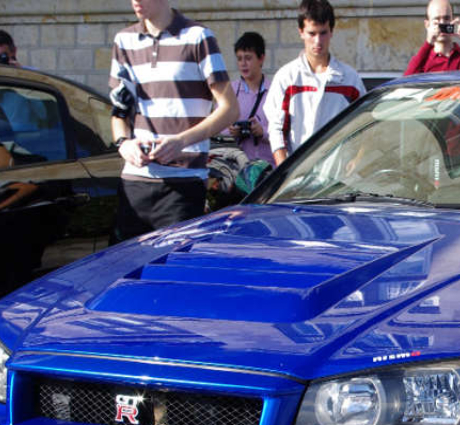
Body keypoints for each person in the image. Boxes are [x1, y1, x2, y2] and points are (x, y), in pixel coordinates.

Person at [108, 0, 239, 243]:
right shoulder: (124, 40)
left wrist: (181, 141)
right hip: (134, 180)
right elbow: (119, 112)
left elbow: (230, 109)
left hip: (183, 183)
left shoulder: (198, 37)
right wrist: (123, 143)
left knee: (173, 264)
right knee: (124, 265)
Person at [265, 0, 364, 167]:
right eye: (312, 33)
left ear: (331, 31)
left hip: (337, 176)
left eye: (323, 33)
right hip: (298, 174)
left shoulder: (350, 79)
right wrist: (284, 171)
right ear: (301, 32)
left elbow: (365, 125)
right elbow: (276, 130)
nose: (318, 41)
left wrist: (356, 161)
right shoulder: (287, 77)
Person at [403, 0, 460, 76]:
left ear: (453, 21)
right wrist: (428, 43)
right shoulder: (423, 61)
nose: (442, 23)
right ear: (427, 25)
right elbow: (405, 83)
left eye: (446, 18)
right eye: (437, 20)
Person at [225, 31, 274, 166]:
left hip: (268, 168)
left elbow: (285, 133)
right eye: (239, 58)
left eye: (248, 58)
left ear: (261, 58)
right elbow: (217, 129)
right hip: (237, 168)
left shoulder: (275, 91)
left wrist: (263, 132)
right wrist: (231, 131)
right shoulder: (230, 91)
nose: (243, 64)